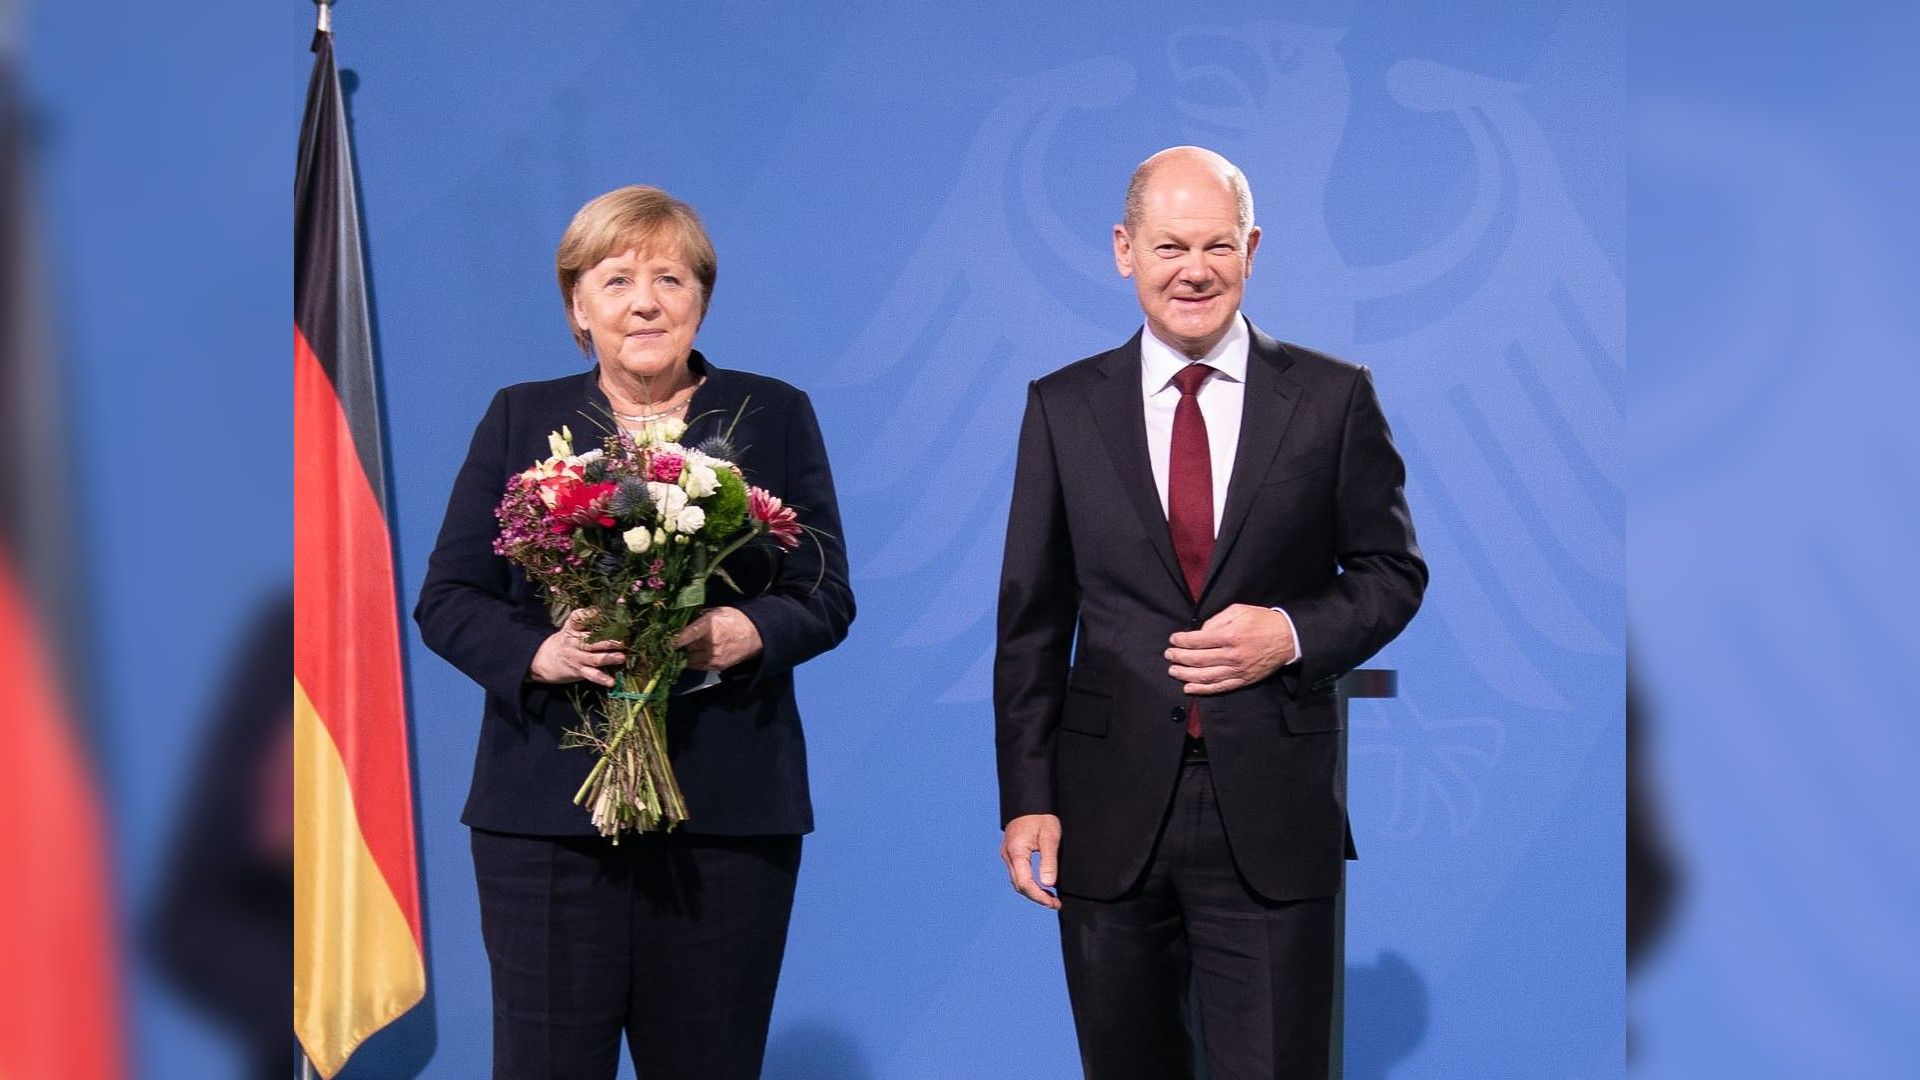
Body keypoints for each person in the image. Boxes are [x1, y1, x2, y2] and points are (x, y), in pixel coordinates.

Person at [994, 147, 1426, 1080]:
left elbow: (1393, 572)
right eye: (1170, 246)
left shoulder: (1333, 396)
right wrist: (1028, 797)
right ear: (1124, 250)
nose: (1195, 269)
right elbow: (1031, 621)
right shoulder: (1063, 407)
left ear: (1253, 249)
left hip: (1272, 808)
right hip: (1108, 815)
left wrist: (1293, 633)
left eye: (1218, 245)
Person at [415, 185, 854, 1080]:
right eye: (616, 280)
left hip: (725, 819)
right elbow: (450, 596)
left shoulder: (770, 413)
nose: (645, 301)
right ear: (578, 306)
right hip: (546, 822)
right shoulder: (518, 416)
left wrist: (744, 630)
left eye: (670, 277)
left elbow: (824, 590)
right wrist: (538, 653)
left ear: (702, 298)